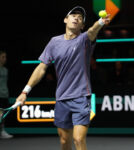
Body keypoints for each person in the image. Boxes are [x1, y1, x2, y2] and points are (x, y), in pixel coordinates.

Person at [15, 6, 110, 150]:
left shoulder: (85, 39)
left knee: (78, 139)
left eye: (80, 18)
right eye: (73, 15)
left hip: (81, 97)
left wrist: (101, 22)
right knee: (65, 141)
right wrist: (24, 92)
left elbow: (92, 31)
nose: (76, 18)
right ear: (65, 20)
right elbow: (41, 68)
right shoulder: (54, 42)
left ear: (82, 25)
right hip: (61, 98)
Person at [0, 50, 13, 139]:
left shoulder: (5, 70)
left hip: (4, 94)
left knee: (3, 114)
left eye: (5, 57)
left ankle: (2, 131)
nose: (5, 59)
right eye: (3, 57)